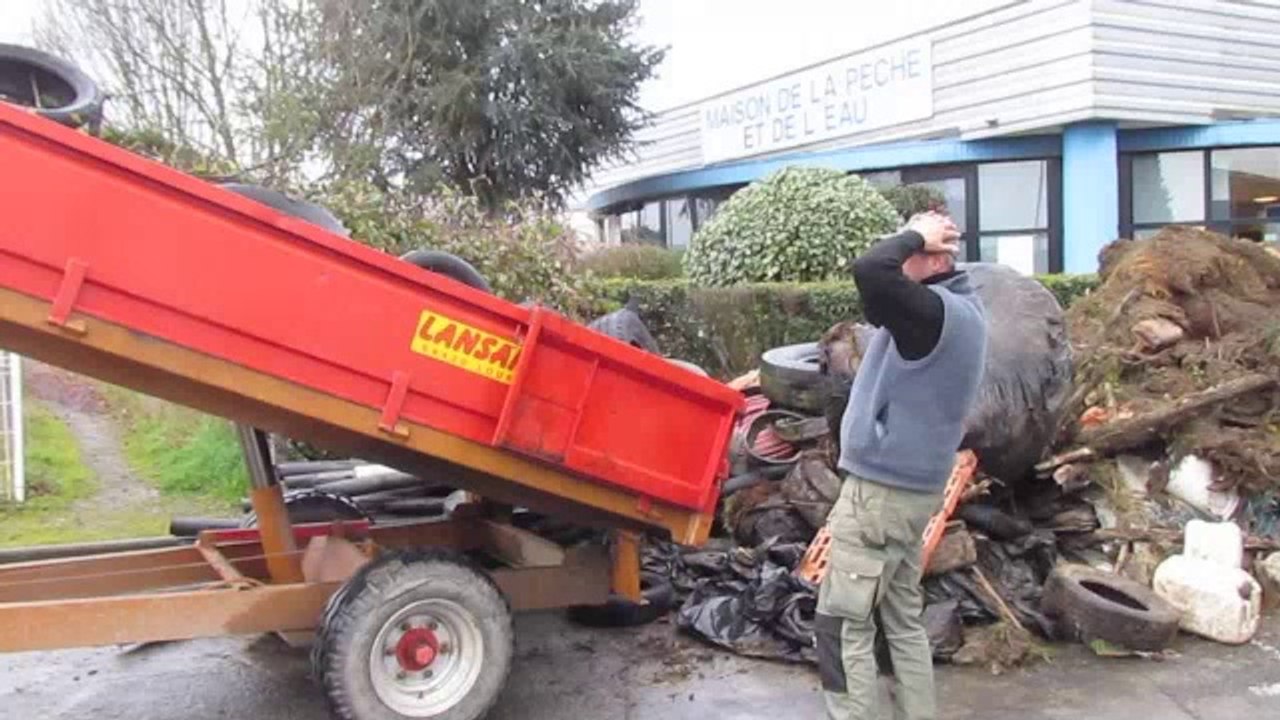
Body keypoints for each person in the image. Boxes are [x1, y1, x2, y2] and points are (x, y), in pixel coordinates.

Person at [816, 212, 988, 720]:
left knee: (843, 624)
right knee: (903, 624)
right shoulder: (960, 312)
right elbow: (876, 290)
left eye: (911, 248)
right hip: (913, 495)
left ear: (936, 256)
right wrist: (914, 241)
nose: (897, 253)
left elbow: (871, 270)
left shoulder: (933, 314)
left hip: (881, 495)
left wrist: (917, 235)